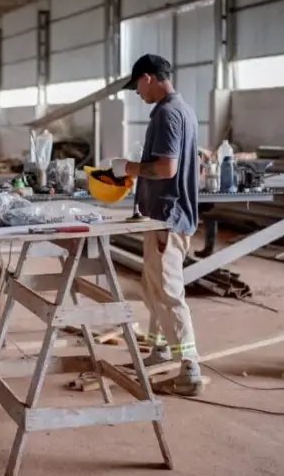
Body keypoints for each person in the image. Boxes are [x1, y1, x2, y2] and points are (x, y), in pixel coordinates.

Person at [111, 54, 204, 396]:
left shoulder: (167, 114)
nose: (137, 92)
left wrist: (128, 168)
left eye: (137, 85)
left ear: (148, 78)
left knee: (167, 291)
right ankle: (159, 349)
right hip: (165, 216)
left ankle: (190, 366)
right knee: (154, 288)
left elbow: (166, 169)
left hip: (168, 217)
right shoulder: (183, 110)